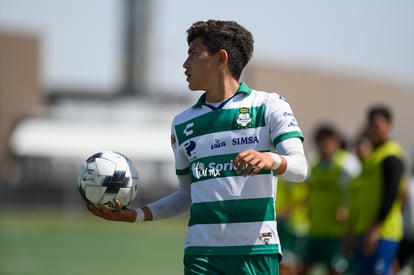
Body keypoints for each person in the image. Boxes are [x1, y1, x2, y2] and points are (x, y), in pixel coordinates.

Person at [87, 19, 308, 274]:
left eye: (193, 53)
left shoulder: (269, 106)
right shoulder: (182, 123)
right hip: (201, 256)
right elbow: (186, 194)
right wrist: (136, 215)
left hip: (255, 253)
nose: (185, 64)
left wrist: (273, 160)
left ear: (220, 58)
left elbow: (300, 168)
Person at [348, 105, 406, 275]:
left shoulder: (391, 155)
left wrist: (375, 228)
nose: (372, 129)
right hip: (364, 231)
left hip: (382, 233)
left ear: (389, 125)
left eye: (377, 125)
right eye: (370, 125)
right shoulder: (372, 157)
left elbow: (391, 195)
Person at [300, 125, 361, 275]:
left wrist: (346, 209)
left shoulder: (347, 164)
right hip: (315, 228)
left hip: (336, 231)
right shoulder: (313, 164)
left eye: (328, 142)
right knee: (303, 266)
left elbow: (356, 193)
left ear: (336, 142)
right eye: (321, 143)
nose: (325, 146)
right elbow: (309, 190)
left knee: (334, 269)